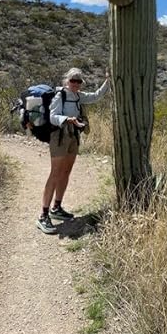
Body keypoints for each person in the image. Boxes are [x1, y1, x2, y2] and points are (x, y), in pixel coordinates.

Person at [36, 67, 110, 234]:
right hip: (60, 136)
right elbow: (53, 117)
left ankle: (57, 207)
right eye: (73, 80)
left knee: (66, 172)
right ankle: (43, 215)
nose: (76, 84)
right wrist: (68, 119)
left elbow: (96, 96)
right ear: (67, 81)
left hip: (73, 136)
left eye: (78, 81)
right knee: (55, 173)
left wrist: (108, 81)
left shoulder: (78, 95)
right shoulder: (60, 95)